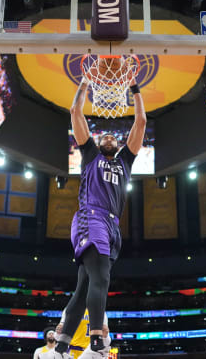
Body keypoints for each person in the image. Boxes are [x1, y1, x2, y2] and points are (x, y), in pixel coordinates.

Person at [49, 61, 145, 359]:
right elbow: (75, 113)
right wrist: (85, 83)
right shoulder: (90, 155)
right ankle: (97, 338)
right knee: (102, 277)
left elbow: (140, 121)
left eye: (112, 137)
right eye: (104, 136)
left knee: (86, 285)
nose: (108, 137)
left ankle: (63, 340)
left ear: (117, 144)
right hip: (92, 217)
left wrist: (133, 86)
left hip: (112, 225)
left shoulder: (125, 161)